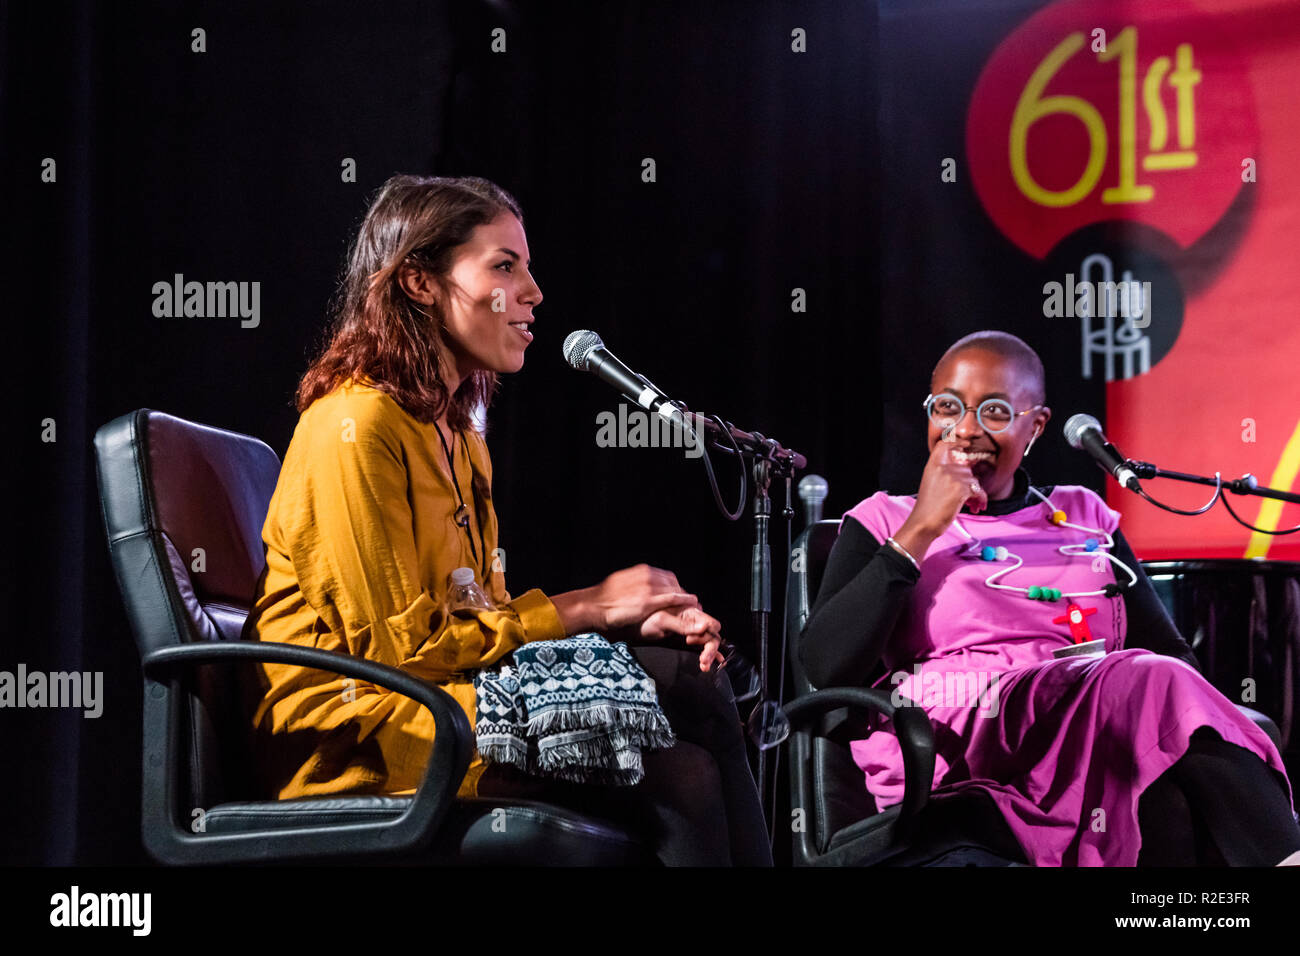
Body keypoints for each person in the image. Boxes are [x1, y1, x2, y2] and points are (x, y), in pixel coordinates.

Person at [241, 173, 772, 866]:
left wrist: (619, 619)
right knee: (682, 772)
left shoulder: (460, 437)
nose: (533, 291)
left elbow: (477, 623)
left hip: (445, 701)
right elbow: (403, 652)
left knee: (693, 681)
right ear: (419, 283)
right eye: (503, 265)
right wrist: (590, 605)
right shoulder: (354, 424)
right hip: (368, 728)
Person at [800, 330, 1300, 866]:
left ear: (1035, 425)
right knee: (1151, 682)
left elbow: (1174, 657)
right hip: (964, 731)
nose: (964, 429)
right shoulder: (886, 520)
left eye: (993, 411)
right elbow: (824, 667)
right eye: (946, 407)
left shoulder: (1083, 516)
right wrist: (921, 529)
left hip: (1086, 729)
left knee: (1165, 783)